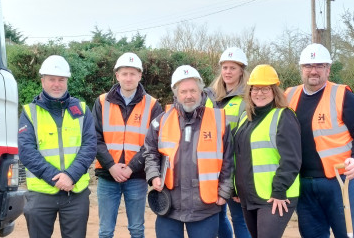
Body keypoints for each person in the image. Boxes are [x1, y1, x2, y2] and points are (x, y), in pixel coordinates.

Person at [285, 44, 354, 238]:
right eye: (308, 66)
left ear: (328, 69)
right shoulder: (288, 96)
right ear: (301, 69)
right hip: (304, 184)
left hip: (341, 182)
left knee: (348, 234)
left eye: (319, 66)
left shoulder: (342, 96)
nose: (313, 71)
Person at [144, 65, 234, 238]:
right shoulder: (160, 122)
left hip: (205, 207)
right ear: (176, 93)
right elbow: (150, 152)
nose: (188, 96)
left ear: (201, 92)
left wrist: (224, 191)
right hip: (169, 205)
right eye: (183, 91)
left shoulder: (219, 121)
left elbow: (228, 160)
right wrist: (154, 175)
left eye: (193, 90)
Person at [18, 55, 96, 238]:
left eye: (61, 79)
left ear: (67, 81)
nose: (56, 84)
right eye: (51, 79)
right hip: (41, 193)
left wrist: (70, 176)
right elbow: (27, 151)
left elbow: (90, 146)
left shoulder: (82, 110)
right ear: (42, 81)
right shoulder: (30, 112)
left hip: (75, 192)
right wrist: (56, 179)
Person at [93, 52, 164, 238]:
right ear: (117, 75)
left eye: (133, 73)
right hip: (108, 175)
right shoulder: (102, 102)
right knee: (105, 231)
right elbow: (95, 138)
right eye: (124, 73)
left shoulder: (153, 105)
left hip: (137, 176)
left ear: (140, 75)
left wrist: (131, 168)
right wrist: (111, 166)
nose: (128, 78)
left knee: (137, 230)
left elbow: (154, 143)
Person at [233, 64, 301, 238]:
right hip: (250, 196)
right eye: (255, 88)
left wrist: (279, 191)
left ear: (274, 91)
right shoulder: (245, 117)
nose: (259, 93)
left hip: (275, 197)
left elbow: (291, 160)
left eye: (265, 89)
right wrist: (236, 187)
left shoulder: (283, 116)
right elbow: (239, 156)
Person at [206, 46, 252, 238]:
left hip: (236, 168)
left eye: (233, 68)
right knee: (216, 216)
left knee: (240, 218)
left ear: (242, 70)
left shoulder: (248, 97)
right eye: (225, 67)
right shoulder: (209, 95)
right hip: (211, 166)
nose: (228, 72)